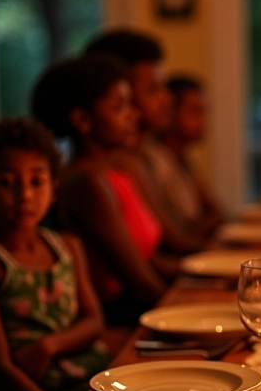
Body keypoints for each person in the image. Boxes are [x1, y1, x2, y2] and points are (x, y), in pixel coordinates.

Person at [0, 117, 111, 391]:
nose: (25, 195)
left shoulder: (67, 246)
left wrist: (48, 345)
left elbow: (94, 321)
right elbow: (0, 370)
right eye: (7, 182)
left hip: (82, 382)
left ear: (54, 188)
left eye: (37, 181)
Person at [31, 52, 171, 325]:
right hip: (119, 320)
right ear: (82, 120)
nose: (134, 115)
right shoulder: (87, 184)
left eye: (131, 104)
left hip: (138, 309)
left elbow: (149, 261)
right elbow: (140, 285)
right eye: (119, 107)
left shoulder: (113, 173)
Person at [85, 28, 207, 253]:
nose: (168, 98)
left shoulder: (145, 156)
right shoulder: (113, 168)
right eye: (153, 90)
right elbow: (172, 242)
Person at [153, 74, 224, 239]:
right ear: (170, 112)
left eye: (205, 112)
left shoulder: (182, 158)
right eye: (195, 111)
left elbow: (217, 211)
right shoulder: (156, 161)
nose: (203, 121)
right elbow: (176, 234)